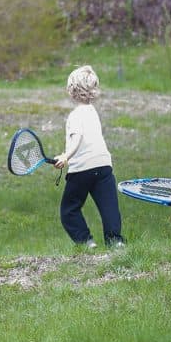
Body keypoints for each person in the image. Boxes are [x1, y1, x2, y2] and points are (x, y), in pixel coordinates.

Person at [53, 65, 125, 249]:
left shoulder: (75, 115)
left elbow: (77, 138)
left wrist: (66, 156)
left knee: (69, 210)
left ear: (71, 90)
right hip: (103, 166)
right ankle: (115, 241)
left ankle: (86, 242)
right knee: (109, 207)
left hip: (82, 169)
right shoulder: (92, 112)